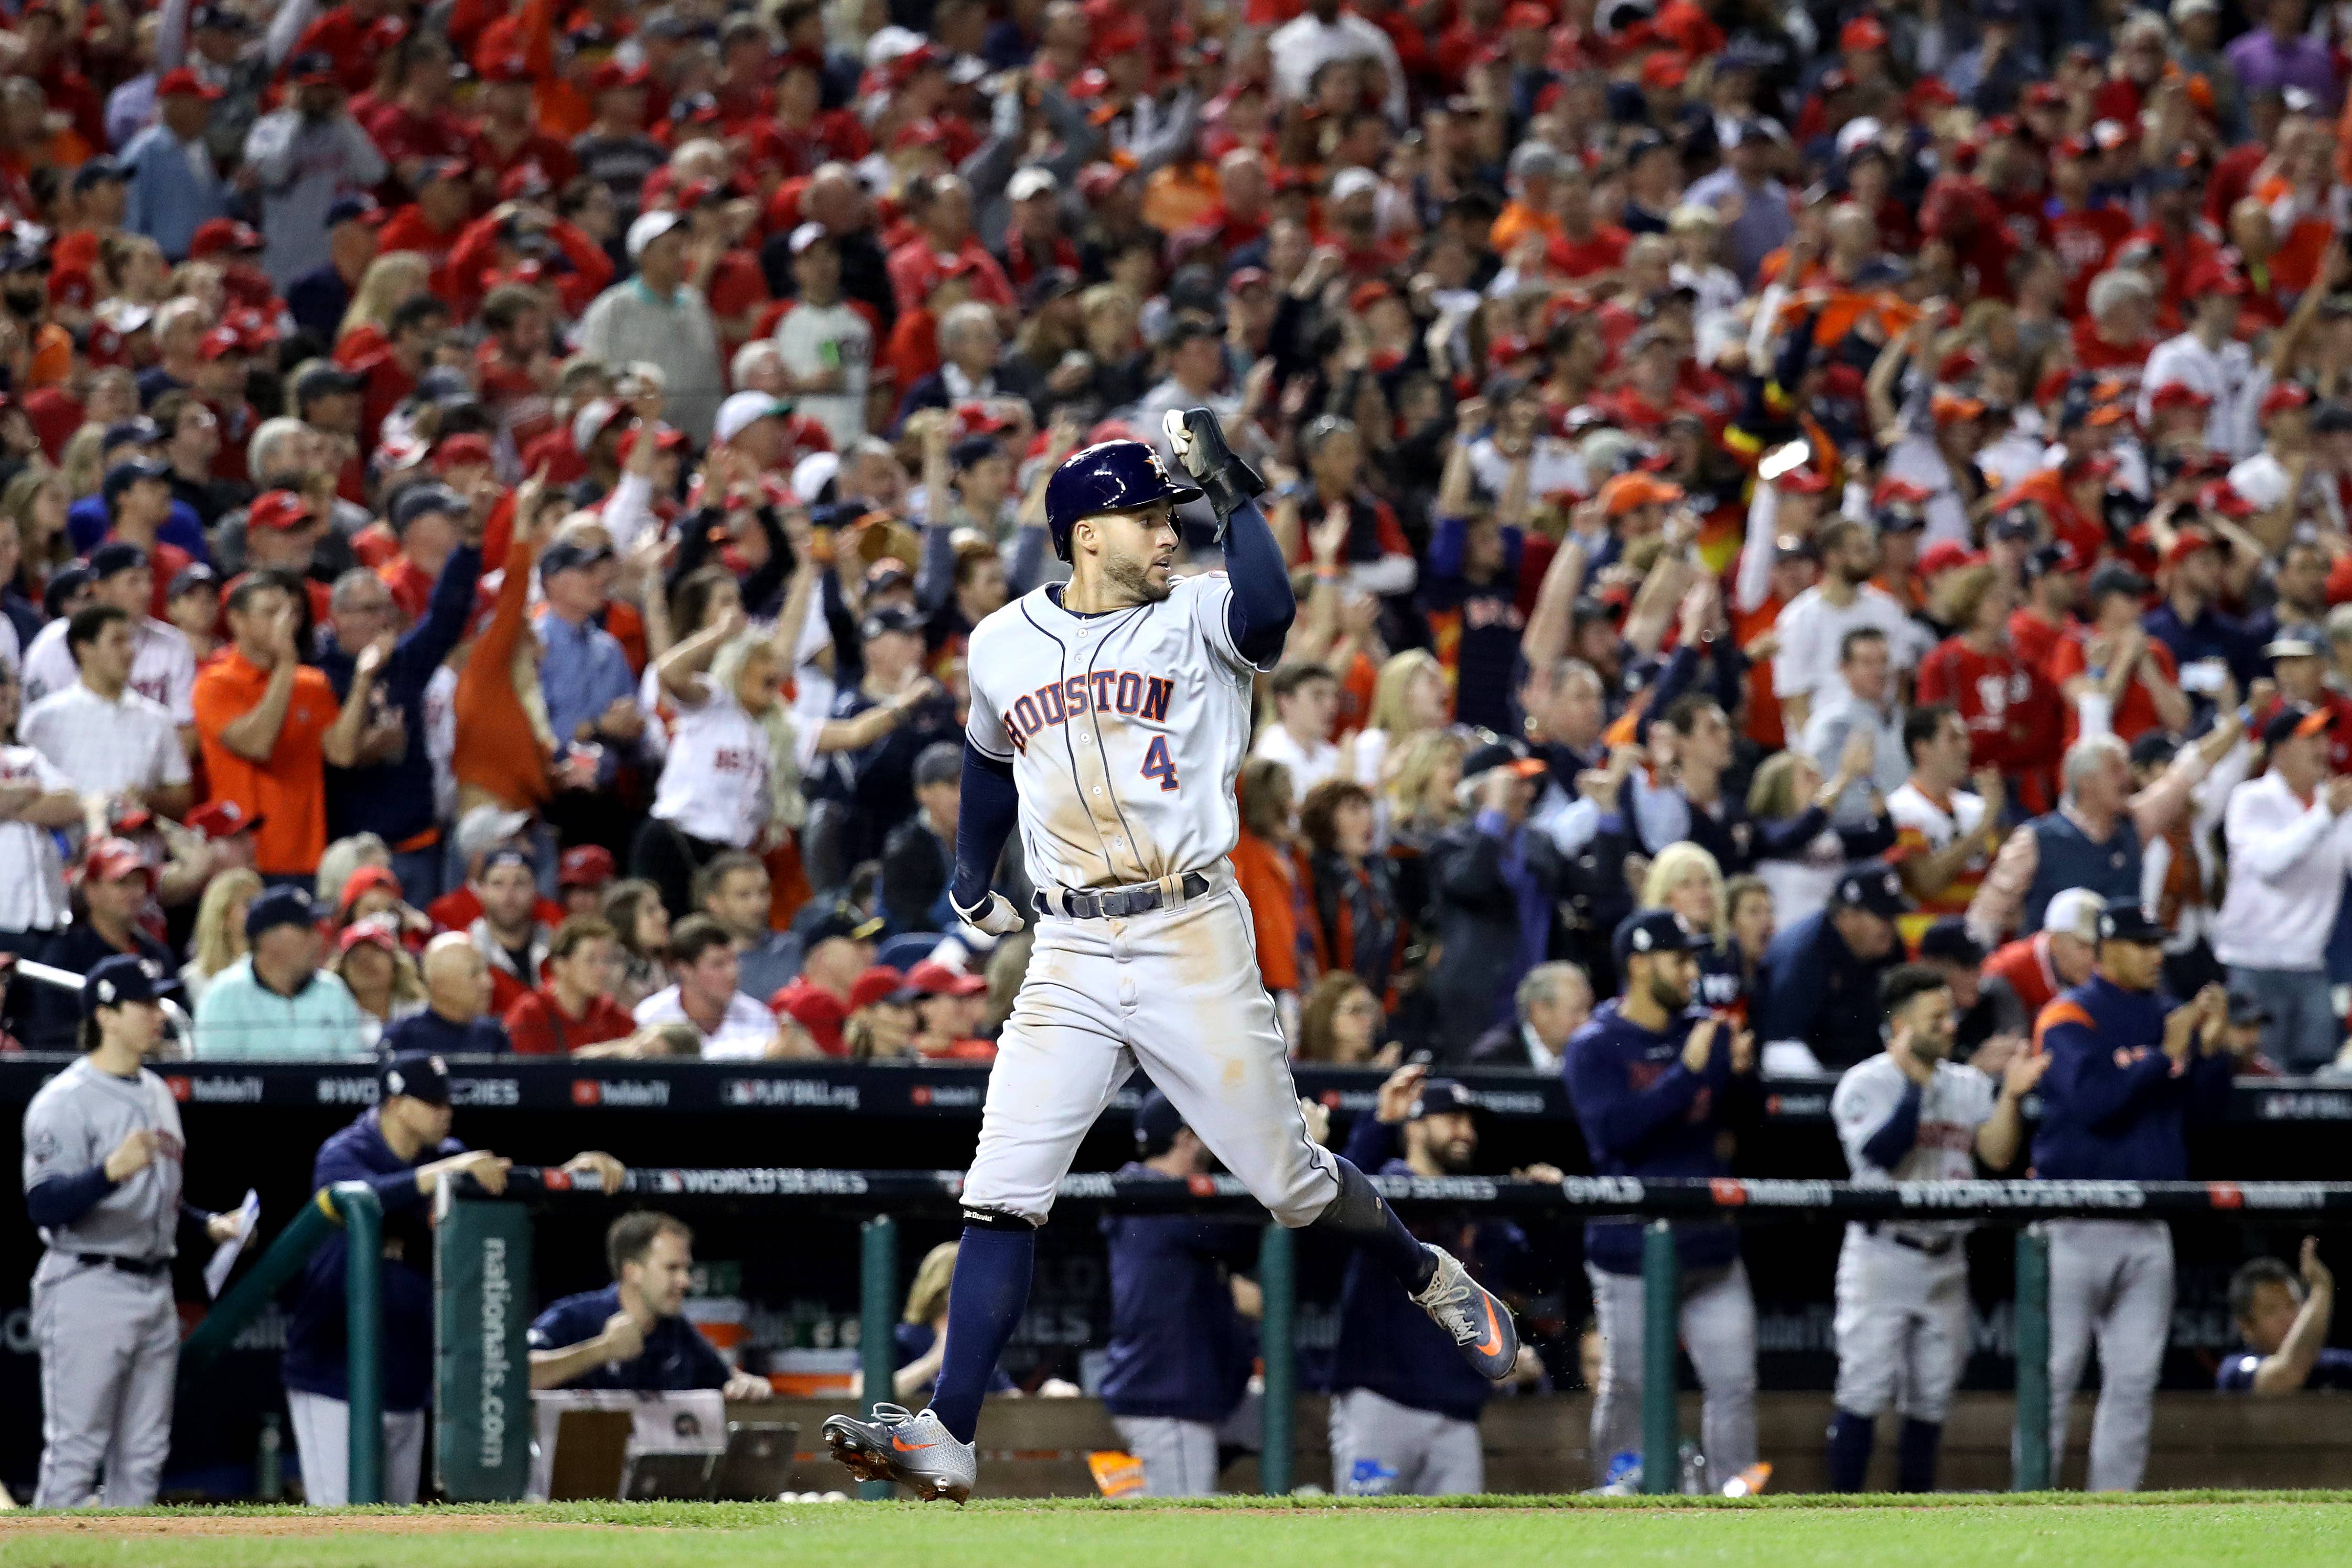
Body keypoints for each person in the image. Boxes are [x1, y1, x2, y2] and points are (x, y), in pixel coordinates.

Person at [824, 416, 1519, 1502]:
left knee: (1289, 1184)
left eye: (1169, 515)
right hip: (1066, 944)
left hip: (1188, 928)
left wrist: (1229, 489)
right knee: (1000, 1188)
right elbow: (985, 749)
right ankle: (946, 1434)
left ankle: (1425, 1271)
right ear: (1083, 532)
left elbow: (1273, 608)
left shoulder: (1198, 607)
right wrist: (970, 868)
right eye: (1146, 517)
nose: (1165, 533)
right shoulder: (1002, 638)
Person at [283, 1052, 621, 1506]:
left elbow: (502, 1182)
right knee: (342, 1521)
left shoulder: (447, 1153)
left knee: (394, 1527)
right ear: (396, 1103)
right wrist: (440, 1176)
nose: (446, 1110)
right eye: (432, 1102)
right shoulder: (347, 1151)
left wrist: (565, 1174)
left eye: (448, 1101)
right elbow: (360, 1197)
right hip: (334, 1372)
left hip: (406, 1376)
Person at [2032, 899, 2235, 1492]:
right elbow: (2089, 1105)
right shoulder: (2068, 1015)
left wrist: (2213, 1054)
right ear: (2106, 949)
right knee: (2053, 1377)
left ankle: (2112, 1512)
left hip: (2148, 1223)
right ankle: (2025, 1503)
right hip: (2072, 1219)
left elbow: (2204, 1118)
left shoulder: (2170, 1014)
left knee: (2133, 1381)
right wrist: (2164, 1057)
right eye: (2142, 945)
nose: (2155, 956)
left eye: (2158, 945)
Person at [21, 954, 239, 1508]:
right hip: (88, 1281)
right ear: (107, 1016)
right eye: (144, 1003)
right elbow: (43, 1204)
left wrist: (208, 1226)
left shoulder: (158, 1092)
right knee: (75, 1455)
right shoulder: (64, 1100)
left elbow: (162, 1200)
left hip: (154, 1285)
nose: (158, 1013)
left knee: (143, 1459)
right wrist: (106, 1172)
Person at [1824, 964, 2047, 1494]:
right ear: (1901, 1026)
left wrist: (2009, 1097)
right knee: (1864, 1388)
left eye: (1950, 1015)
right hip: (1883, 1255)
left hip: (1946, 1255)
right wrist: (1910, 1087)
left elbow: (1995, 1153)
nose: (1950, 1026)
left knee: (1931, 1396)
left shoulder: (1966, 1084)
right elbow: (1881, 1152)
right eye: (1936, 1018)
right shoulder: (1866, 1083)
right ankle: (1835, 1518)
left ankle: (1915, 1517)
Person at [1567, 909, 1760, 1491]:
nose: (1691, 971)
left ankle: (1736, 1501)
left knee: (1734, 1383)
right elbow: (1616, 1136)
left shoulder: (1705, 1029)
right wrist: (1687, 1072)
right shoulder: (1595, 1045)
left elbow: (1747, 1127)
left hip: (1708, 1246)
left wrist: (1745, 1077)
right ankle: (1619, 1498)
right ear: (1639, 964)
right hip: (1631, 1249)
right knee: (1629, 1386)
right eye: (1679, 959)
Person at [1330, 1070, 1551, 1496]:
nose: (1465, 1132)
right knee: (1360, 1543)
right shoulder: (1387, 1183)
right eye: (1450, 1118)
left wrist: (1543, 1213)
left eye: (1469, 1122)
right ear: (1414, 1126)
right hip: (1382, 1399)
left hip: (1457, 1408)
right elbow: (1341, 1195)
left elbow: (1534, 1276)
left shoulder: (1476, 1207)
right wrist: (1380, 1122)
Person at [1098, 1093, 1262, 1497]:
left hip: (1172, 1391)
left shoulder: (1147, 1195)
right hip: (1166, 1396)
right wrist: (1282, 1155)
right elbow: (1243, 1232)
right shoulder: (1149, 1195)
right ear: (1187, 1137)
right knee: (1181, 1525)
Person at [190, 570, 372, 881]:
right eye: (270, 613)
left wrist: (363, 681)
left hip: (307, 857)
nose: (285, 623)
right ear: (237, 620)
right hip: (243, 860)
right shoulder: (215, 683)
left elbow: (342, 754)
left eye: (289, 612)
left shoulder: (312, 683)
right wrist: (287, 664)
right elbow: (258, 744)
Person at [2211, 705, 2352, 1070]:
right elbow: (2268, 867)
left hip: (2310, 964)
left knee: (2316, 1080)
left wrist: (2334, 812)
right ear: (2280, 750)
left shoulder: (2337, 803)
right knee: (2255, 1077)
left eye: (2325, 736)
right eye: (2311, 738)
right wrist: (2326, 816)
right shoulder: (2251, 799)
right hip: (2253, 963)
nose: (2324, 746)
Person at [527, 1211, 770, 1398]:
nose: (686, 1281)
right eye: (672, 1268)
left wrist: (747, 1385)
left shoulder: (677, 1331)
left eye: (686, 1269)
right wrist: (602, 1350)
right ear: (633, 1272)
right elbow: (516, 1377)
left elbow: (725, 1380)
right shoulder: (573, 1316)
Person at [1751, 860, 1915, 1074]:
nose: (1892, 926)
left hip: (1861, 1072)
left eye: (1894, 916)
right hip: (1808, 1079)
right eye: (1883, 916)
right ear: (1846, 917)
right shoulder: (1803, 955)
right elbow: (1782, 1049)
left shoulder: (1887, 947)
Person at [190, 885, 368, 1058]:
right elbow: (216, 1080)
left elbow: (353, 1077)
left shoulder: (334, 992)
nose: (318, 938)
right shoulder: (225, 995)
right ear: (269, 939)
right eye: (307, 929)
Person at [632, 914, 779, 1058]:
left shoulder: (759, 1018)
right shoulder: (649, 1017)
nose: (732, 973)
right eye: (718, 965)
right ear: (685, 970)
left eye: (734, 961)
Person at [2218, 1241, 2352, 1393]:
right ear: (2246, 1326)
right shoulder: (2235, 1369)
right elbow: (2286, 1375)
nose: (2289, 1318)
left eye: (2293, 1305)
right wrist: (2321, 1289)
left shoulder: (2333, 1365)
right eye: (2271, 1311)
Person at [505, 916, 634, 1057]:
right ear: (560, 965)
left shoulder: (612, 1014)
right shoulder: (528, 1016)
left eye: (607, 960)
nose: (603, 971)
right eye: (591, 960)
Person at [382, 933, 511, 1055]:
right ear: (440, 984)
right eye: (474, 973)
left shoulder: (494, 1036)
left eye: (486, 971)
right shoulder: (402, 1039)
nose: (488, 983)